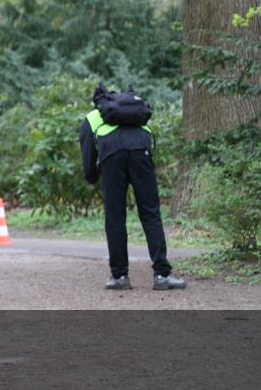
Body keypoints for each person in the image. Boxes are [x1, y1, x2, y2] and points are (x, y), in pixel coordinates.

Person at [79, 83, 186, 291]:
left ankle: (120, 277)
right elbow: (149, 140)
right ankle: (162, 275)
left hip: (112, 156)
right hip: (140, 151)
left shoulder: (93, 117)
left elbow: (88, 162)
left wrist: (95, 174)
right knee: (151, 213)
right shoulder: (137, 115)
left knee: (115, 217)